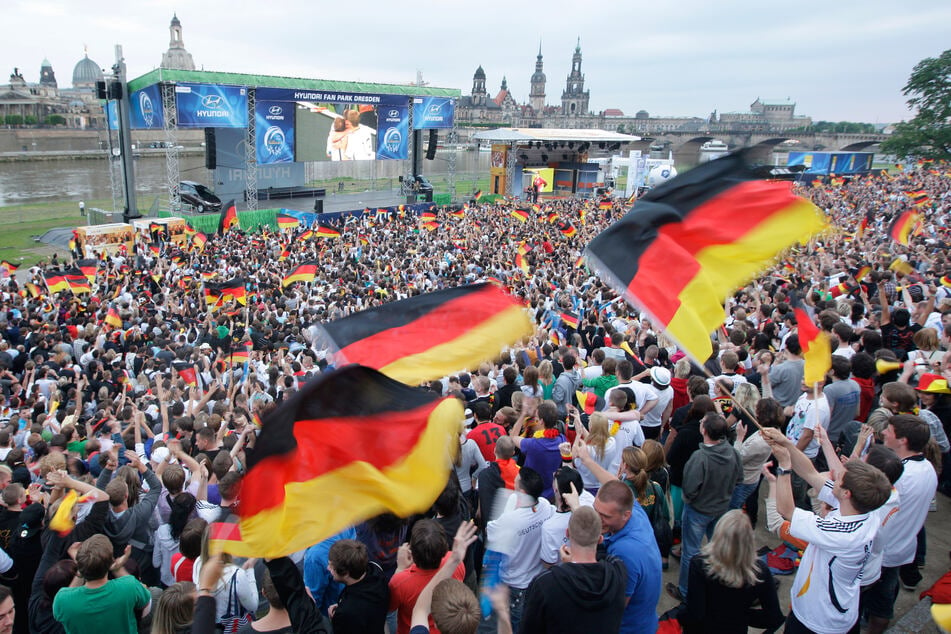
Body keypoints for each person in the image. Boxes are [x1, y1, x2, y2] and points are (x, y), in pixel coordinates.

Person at [763, 427, 892, 633]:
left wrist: (784, 467)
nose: (835, 475)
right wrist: (786, 443)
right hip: (836, 613)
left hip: (819, 622)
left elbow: (786, 509)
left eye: (840, 477)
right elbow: (810, 473)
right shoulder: (864, 509)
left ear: (847, 493)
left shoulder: (840, 534)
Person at [567, 475, 662, 633]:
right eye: (595, 511)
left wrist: (576, 564)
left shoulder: (624, 552)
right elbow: (615, 484)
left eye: (605, 516)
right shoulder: (635, 510)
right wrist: (586, 459)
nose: (598, 519)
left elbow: (613, 606)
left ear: (626, 515)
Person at [672, 412, 744, 602]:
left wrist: (693, 500)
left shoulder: (700, 457)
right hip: (721, 508)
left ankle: (686, 591)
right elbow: (739, 479)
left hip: (698, 510)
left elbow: (689, 488)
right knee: (717, 548)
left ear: (704, 430)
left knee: (691, 551)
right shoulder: (733, 452)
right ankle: (716, 583)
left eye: (702, 422)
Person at [521, 506, 628, 633]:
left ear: (567, 533)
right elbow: (606, 557)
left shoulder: (545, 584)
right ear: (600, 539)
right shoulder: (617, 572)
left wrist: (571, 564)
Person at [677, 510, 784, 634]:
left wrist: (679, 616)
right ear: (749, 540)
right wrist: (741, 615)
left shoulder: (700, 564)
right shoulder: (759, 572)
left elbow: (695, 613)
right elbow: (773, 618)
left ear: (718, 534)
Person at [484, 467, 552, 633]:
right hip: (537, 576)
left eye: (516, 479)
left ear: (521, 491)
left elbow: (490, 531)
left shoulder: (510, 519)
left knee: (515, 623)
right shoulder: (544, 505)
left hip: (515, 583)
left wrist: (507, 512)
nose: (513, 480)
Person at [52, 535, 152, 634]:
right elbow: (146, 600)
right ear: (110, 562)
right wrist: (117, 568)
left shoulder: (63, 599)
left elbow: (59, 613)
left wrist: (82, 566)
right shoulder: (129, 586)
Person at [389, 519, 466, 634]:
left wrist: (400, 568)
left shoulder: (399, 581)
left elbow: (390, 608)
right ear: (444, 548)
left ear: (412, 552)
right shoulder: (456, 563)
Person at [326, 539, 390, 634]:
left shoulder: (346, 614)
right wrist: (342, 605)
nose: (328, 568)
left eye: (332, 567)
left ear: (346, 573)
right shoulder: (376, 571)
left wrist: (337, 618)